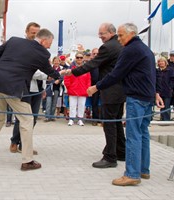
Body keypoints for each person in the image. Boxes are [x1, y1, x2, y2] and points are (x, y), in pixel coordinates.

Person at [64, 23, 164, 186]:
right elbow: (152, 73)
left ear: (131, 34)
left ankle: (131, 173)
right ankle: (144, 170)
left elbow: (116, 74)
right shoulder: (144, 48)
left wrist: (96, 87)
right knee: (143, 133)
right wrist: (155, 93)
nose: (120, 39)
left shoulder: (129, 49)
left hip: (135, 97)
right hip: (146, 97)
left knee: (133, 135)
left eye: (122, 35)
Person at [0, 28, 60, 171]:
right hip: (14, 87)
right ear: (43, 40)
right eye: (49, 43)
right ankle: (27, 161)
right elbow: (49, 70)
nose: (49, 47)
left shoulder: (14, 41)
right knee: (27, 119)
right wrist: (59, 76)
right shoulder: (42, 52)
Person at [62, 23, 126, 168]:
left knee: (109, 123)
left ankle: (110, 157)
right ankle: (121, 152)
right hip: (120, 90)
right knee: (116, 122)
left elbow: (93, 64)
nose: (100, 36)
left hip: (110, 91)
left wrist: (73, 71)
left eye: (102, 33)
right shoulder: (120, 45)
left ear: (111, 33)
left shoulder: (108, 47)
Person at [9, 22, 48, 154]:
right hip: (25, 88)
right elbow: (29, 70)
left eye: (37, 33)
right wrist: (45, 76)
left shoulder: (41, 48)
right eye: (33, 33)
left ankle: (24, 144)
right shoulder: (21, 47)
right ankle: (14, 141)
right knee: (22, 117)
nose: (35, 35)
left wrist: (43, 87)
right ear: (26, 32)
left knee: (34, 118)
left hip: (37, 89)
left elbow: (43, 67)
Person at [64, 52, 91, 126]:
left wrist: (87, 89)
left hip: (83, 90)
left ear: (83, 59)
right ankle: (71, 119)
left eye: (81, 57)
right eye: (78, 57)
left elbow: (88, 80)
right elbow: (66, 78)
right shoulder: (71, 68)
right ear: (75, 58)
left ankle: (80, 119)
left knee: (82, 105)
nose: (79, 59)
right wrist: (69, 87)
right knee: (72, 105)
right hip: (73, 90)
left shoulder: (86, 69)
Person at [157, 57, 174, 121]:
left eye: (162, 61)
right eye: (159, 61)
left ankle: (166, 119)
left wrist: (170, 87)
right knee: (161, 105)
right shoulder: (157, 71)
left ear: (165, 62)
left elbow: (173, 80)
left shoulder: (170, 70)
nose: (161, 63)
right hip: (159, 91)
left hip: (167, 90)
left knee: (167, 105)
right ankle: (162, 118)